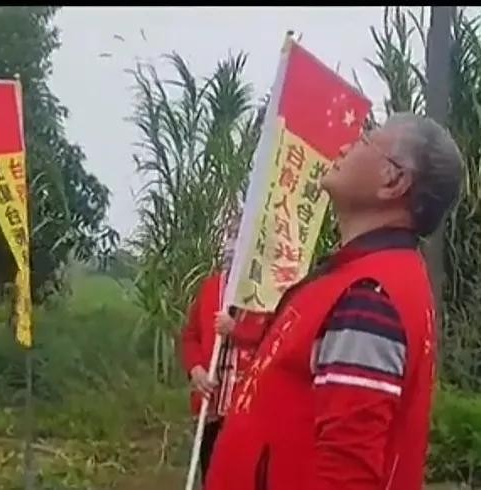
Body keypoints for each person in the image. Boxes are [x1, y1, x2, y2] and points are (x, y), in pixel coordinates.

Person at [204, 112, 464, 490]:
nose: (344, 147)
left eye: (364, 140)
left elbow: (346, 473)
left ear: (393, 181)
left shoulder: (369, 297)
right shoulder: (358, 275)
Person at [179, 219, 272, 486]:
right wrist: (195, 369)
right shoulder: (211, 288)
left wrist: (237, 330)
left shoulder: (268, 295)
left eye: (240, 237)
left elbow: (276, 342)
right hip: (211, 407)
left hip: (249, 412)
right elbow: (190, 336)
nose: (232, 245)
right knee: (211, 475)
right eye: (230, 236)